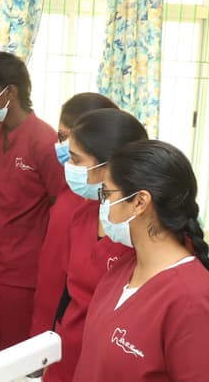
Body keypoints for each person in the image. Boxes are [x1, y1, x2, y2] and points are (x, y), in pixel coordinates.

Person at [74, 140, 209, 381]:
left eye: (106, 194)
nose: (102, 205)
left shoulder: (192, 302)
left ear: (139, 202)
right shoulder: (123, 269)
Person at [0, 51, 65, 350]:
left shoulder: (45, 141)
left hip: (20, 270)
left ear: (10, 91)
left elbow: (60, 207)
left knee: (13, 354)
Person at [43, 108, 147, 382]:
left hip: (111, 364)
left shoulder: (143, 232)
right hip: (68, 355)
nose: (69, 167)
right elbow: (69, 292)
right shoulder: (85, 214)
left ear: (110, 166)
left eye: (76, 160)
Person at [30, 93, 117, 337]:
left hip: (76, 327)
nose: (64, 148)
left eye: (73, 141)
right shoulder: (73, 186)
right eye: (61, 136)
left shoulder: (111, 212)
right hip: (49, 316)